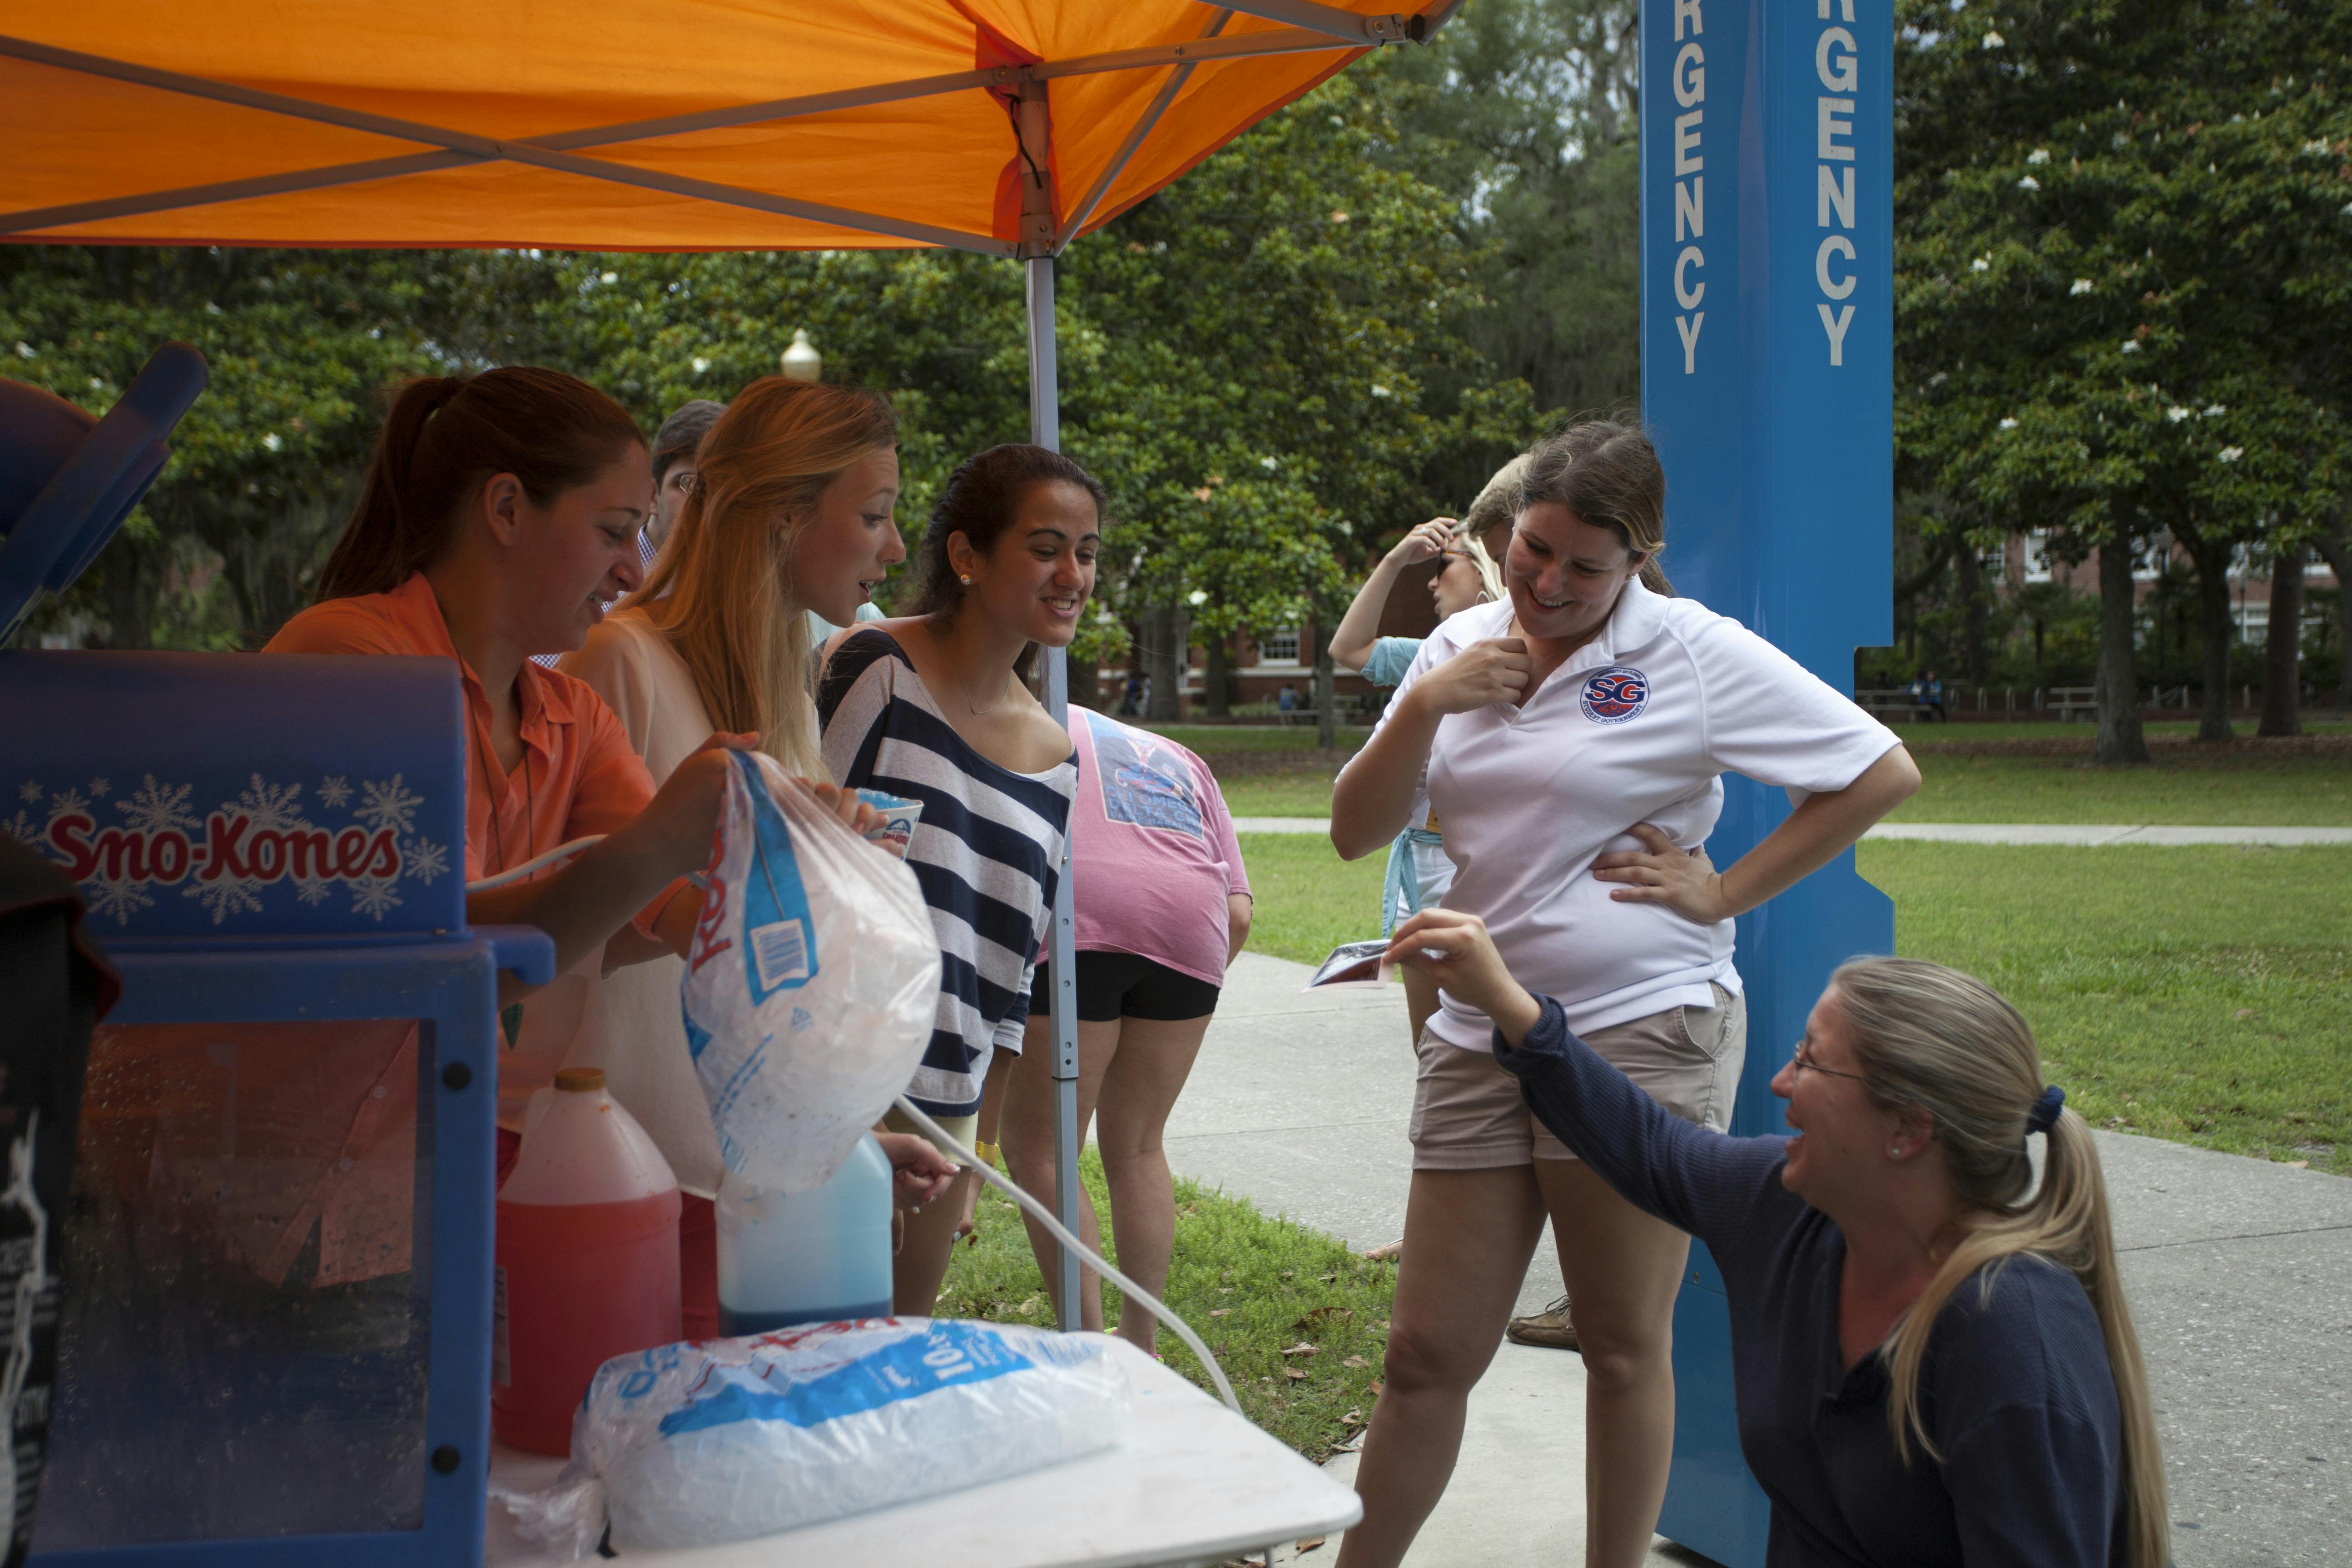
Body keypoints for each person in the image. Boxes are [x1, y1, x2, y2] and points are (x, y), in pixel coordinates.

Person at [1326, 420, 1921, 1568]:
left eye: (1584, 567)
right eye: (1532, 550)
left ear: (1640, 559)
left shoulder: (1689, 652)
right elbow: (1356, 832)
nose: (1547, 583)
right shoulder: (1460, 640)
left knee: (1616, 1345)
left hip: (1637, 1026)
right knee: (1424, 1354)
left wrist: (1722, 891)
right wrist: (1426, 700)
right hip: (1478, 1029)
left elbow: (1877, 769)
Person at [265, 369, 958, 1221]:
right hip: (287, 1173)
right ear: (506, 509)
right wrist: (663, 847)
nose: (632, 568)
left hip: (432, 1180)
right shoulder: (350, 663)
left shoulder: (569, 715)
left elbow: (666, 921)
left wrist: (804, 877)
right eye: (611, 531)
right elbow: (417, 961)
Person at [1386, 909, 2168, 1568]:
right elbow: (1651, 1147)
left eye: (1810, 1063)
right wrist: (1504, 1000)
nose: (1779, 1083)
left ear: (1906, 1129)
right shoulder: (1788, 1212)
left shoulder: (2012, 1341)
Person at [554, 376, 956, 1334]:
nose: (896, 548)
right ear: (783, 516)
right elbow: (567, 943)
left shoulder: (786, 690)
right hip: (623, 1176)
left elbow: (776, 977)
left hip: (754, 1181)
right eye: (874, 515)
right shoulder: (621, 661)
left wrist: (846, 1139)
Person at [817, 443, 1098, 1315]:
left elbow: (1010, 979)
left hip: (942, 1107)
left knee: (891, 1349)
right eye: (1046, 548)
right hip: (825, 1086)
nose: (1072, 576)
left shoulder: (1057, 755)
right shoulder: (874, 668)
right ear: (966, 556)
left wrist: (974, 1149)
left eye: (1086, 553)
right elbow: (795, 862)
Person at [997, 712, 1252, 1352]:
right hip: (1192, 927)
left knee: (1044, 1149)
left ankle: (1087, 1346)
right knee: (1138, 1145)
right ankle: (1140, 1341)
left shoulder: (1019, 721)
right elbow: (1239, 914)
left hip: (1079, 917)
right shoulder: (1178, 753)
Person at [648, 398, 725, 556]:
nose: (705, 501)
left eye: (721, 488)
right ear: (653, 496)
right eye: (688, 484)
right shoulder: (605, 568)